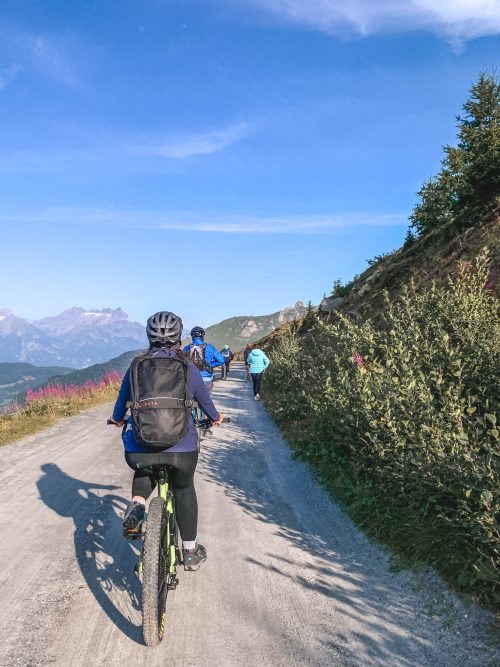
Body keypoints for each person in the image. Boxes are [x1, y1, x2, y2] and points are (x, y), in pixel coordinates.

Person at [109, 311, 223, 571]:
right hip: (181, 448)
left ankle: (138, 506)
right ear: (178, 337)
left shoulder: (136, 365)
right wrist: (216, 418)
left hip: (141, 446)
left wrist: (117, 419)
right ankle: (191, 553)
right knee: (183, 488)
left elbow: (121, 402)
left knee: (144, 468)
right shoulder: (187, 367)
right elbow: (206, 403)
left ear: (149, 336)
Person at [183, 326, 225, 393]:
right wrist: (210, 365)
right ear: (202, 335)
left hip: (191, 379)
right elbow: (221, 360)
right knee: (206, 401)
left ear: (192, 336)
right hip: (205, 379)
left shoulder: (187, 348)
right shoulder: (209, 347)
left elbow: (183, 362)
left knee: (190, 400)